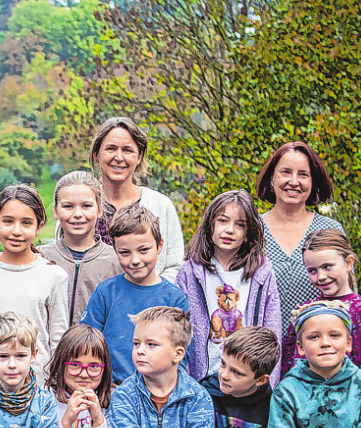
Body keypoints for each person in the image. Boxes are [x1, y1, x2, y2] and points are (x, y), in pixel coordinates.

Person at [175, 189, 283, 386]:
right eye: (223, 221)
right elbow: (178, 331)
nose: (230, 229)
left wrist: (269, 388)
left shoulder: (261, 271)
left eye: (239, 224)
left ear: (248, 233)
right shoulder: (190, 271)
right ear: (210, 225)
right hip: (201, 381)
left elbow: (272, 330)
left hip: (247, 383)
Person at [0, 185, 69, 385]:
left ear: (39, 227)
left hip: (37, 387)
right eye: (8, 221)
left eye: (26, 223)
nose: (16, 231)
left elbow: (58, 342)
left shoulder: (54, 276)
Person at [80, 205, 188, 384]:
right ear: (115, 250)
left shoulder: (174, 299)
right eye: (125, 253)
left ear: (159, 245)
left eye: (143, 250)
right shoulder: (105, 293)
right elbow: (86, 343)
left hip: (156, 393)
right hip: (110, 391)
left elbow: (181, 355)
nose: (135, 260)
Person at [86, 117, 184, 281]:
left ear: (139, 157)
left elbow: (174, 267)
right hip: (91, 304)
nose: (118, 157)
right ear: (96, 154)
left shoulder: (161, 206)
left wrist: (148, 297)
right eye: (111, 148)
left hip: (149, 304)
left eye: (127, 150)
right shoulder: (78, 206)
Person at [255, 141, 343, 323]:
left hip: (317, 347)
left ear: (313, 182)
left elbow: (345, 298)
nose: (293, 182)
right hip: (259, 348)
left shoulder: (330, 230)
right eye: (285, 172)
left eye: (303, 174)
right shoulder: (251, 229)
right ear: (272, 178)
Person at [280, 230, 361, 386]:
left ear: (348, 263)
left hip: (345, 404)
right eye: (312, 271)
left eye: (327, 267)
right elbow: (288, 365)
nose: (320, 276)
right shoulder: (304, 311)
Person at [39, 171, 122, 324]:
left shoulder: (116, 262)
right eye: (68, 206)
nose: (77, 214)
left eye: (86, 206)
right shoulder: (41, 258)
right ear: (56, 211)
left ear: (99, 210)